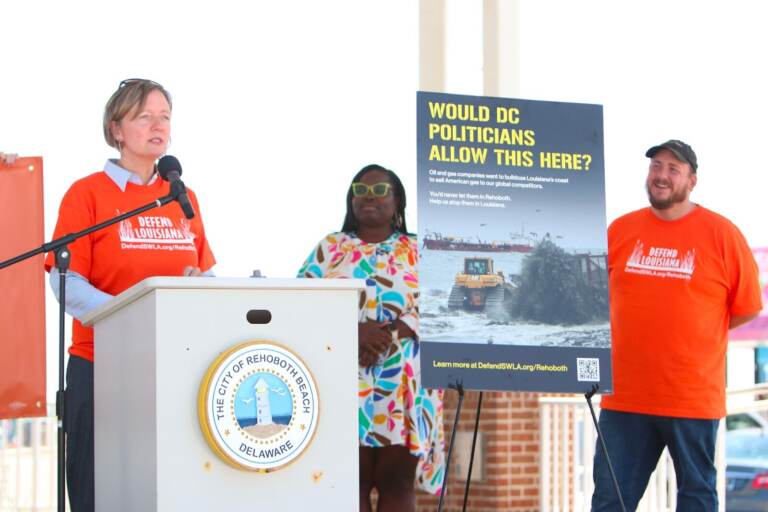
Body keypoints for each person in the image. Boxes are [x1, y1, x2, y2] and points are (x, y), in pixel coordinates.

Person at [44, 79, 216, 512]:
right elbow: (66, 285)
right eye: (145, 117)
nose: (158, 126)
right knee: (97, 493)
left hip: (173, 368)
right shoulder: (86, 193)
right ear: (116, 129)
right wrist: (132, 316)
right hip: (101, 366)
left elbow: (207, 275)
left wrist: (197, 287)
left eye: (165, 117)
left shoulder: (182, 196)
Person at [591, 140, 762, 511]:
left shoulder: (723, 235)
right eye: (656, 166)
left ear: (692, 180)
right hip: (624, 397)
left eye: (673, 169)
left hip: (691, 397)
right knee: (609, 499)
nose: (661, 175)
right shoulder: (620, 230)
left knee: (696, 498)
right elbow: (592, 302)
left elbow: (747, 307)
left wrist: (697, 333)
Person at [298, 164, 444, 512]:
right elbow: (300, 301)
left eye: (380, 191)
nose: (368, 197)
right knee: (350, 480)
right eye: (360, 190)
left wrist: (389, 334)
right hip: (342, 377)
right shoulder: (331, 248)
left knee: (397, 480)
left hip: (405, 382)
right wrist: (353, 333)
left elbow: (441, 301)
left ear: (398, 202)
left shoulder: (419, 250)